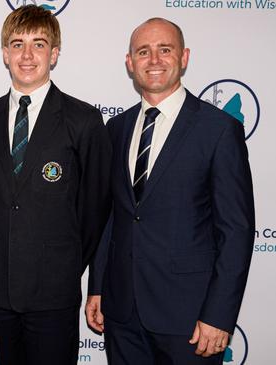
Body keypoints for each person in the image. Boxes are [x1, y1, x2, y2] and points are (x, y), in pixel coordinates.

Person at [86, 18, 255, 365]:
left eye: (165, 50)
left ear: (184, 57)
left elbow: (236, 231)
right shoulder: (116, 128)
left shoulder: (219, 130)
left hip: (190, 319)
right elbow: (111, 217)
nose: (154, 60)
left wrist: (219, 315)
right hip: (122, 314)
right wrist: (98, 287)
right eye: (143, 52)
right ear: (130, 62)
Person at [0, 5, 111, 364]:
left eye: (39, 44)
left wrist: (64, 263)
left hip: (53, 295)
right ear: (5, 54)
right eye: (17, 44)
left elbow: (95, 210)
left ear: (55, 53)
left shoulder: (84, 120)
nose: (27, 55)